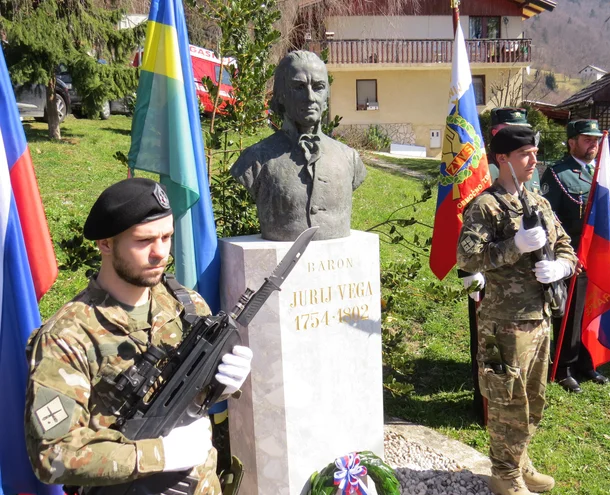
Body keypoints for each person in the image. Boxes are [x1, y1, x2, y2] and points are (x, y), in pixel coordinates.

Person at [24, 178, 252, 494]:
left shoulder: (184, 304)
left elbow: (189, 400)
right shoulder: (67, 336)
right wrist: (157, 454)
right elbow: (53, 455)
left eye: (167, 237)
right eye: (144, 241)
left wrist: (222, 385)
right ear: (105, 243)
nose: (160, 253)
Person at [457, 126, 577, 495]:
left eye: (534, 152)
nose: (534, 159)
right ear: (502, 159)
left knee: (534, 398)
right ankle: (504, 475)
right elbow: (467, 257)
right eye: (525, 153)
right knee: (508, 400)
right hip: (503, 321)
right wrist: (515, 245)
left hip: (538, 318)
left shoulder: (538, 203)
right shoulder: (485, 206)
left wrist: (560, 266)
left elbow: (566, 246)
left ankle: (521, 462)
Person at [230, 50, 367, 242]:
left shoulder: (349, 158)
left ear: (327, 95)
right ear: (280, 95)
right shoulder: (254, 160)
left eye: (318, 87)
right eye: (299, 87)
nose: (310, 97)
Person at [460, 107, 541, 423]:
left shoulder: (523, 167)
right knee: (485, 339)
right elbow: (465, 210)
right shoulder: (480, 164)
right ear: (494, 132)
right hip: (484, 264)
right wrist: (468, 271)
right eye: (508, 128)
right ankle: (483, 401)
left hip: (520, 279)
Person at [540, 119, 610, 393]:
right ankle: (564, 367)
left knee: (595, 310)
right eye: (587, 139)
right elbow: (549, 222)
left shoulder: (604, 173)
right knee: (571, 315)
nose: (594, 144)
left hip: (602, 260)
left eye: (596, 139)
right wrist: (563, 259)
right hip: (574, 259)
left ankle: (588, 364)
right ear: (572, 141)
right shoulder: (557, 175)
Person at [487, 107, 541, 193]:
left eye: (524, 129)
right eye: (511, 128)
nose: (520, 133)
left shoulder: (532, 171)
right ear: (495, 133)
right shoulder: (483, 169)